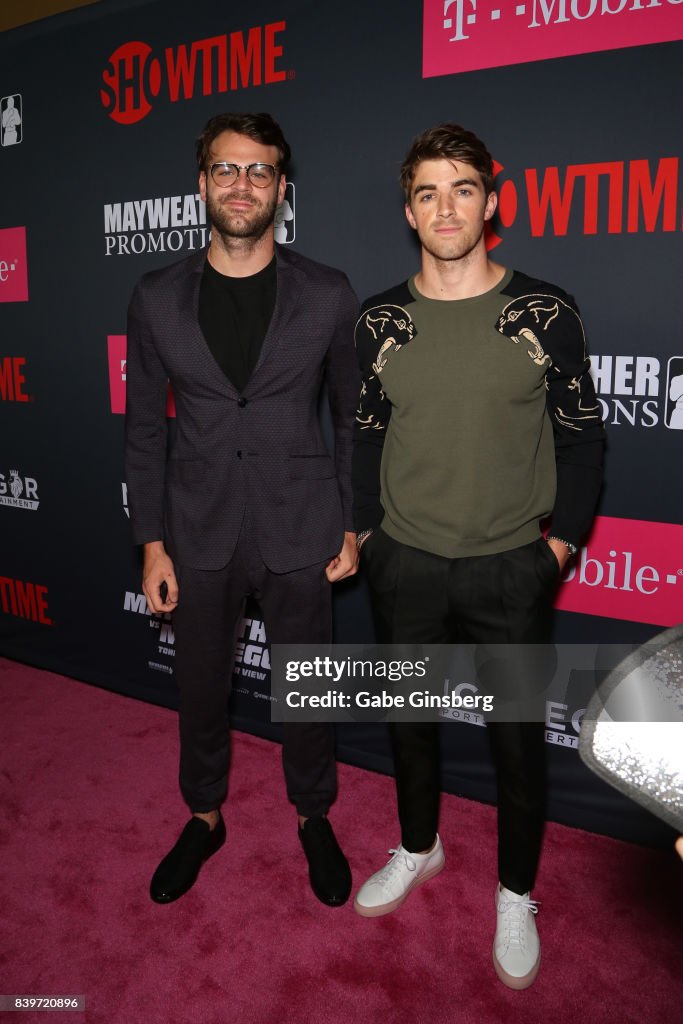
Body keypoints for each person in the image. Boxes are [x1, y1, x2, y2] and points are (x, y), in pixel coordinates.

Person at [351, 123, 605, 988]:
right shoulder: (379, 320)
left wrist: (557, 547)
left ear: (491, 202)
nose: (445, 206)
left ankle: (514, 891)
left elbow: (581, 440)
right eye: (427, 191)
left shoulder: (543, 310)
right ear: (409, 211)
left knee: (514, 743)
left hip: (509, 564)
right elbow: (364, 438)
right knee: (410, 726)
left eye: (462, 187)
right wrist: (366, 535)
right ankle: (418, 847)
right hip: (404, 562)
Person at [125, 112, 360, 907]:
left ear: (281, 190)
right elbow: (141, 434)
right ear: (201, 184)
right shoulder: (155, 297)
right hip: (198, 527)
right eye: (226, 170)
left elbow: (353, 417)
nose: (241, 185)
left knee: (307, 685)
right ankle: (203, 816)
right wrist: (151, 546)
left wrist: (353, 523)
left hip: (301, 522)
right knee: (198, 688)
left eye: (259, 171)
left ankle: (313, 816)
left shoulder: (326, 292)